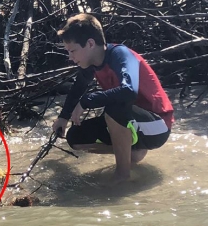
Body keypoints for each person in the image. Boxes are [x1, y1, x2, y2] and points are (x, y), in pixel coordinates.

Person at [52, 13, 174, 183]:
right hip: (132, 122)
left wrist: (87, 101)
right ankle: (133, 151)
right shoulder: (91, 64)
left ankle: (122, 176)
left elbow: (129, 91)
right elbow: (78, 87)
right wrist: (63, 117)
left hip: (158, 126)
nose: (70, 57)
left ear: (90, 44)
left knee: (114, 108)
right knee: (76, 138)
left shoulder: (120, 54)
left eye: (73, 51)